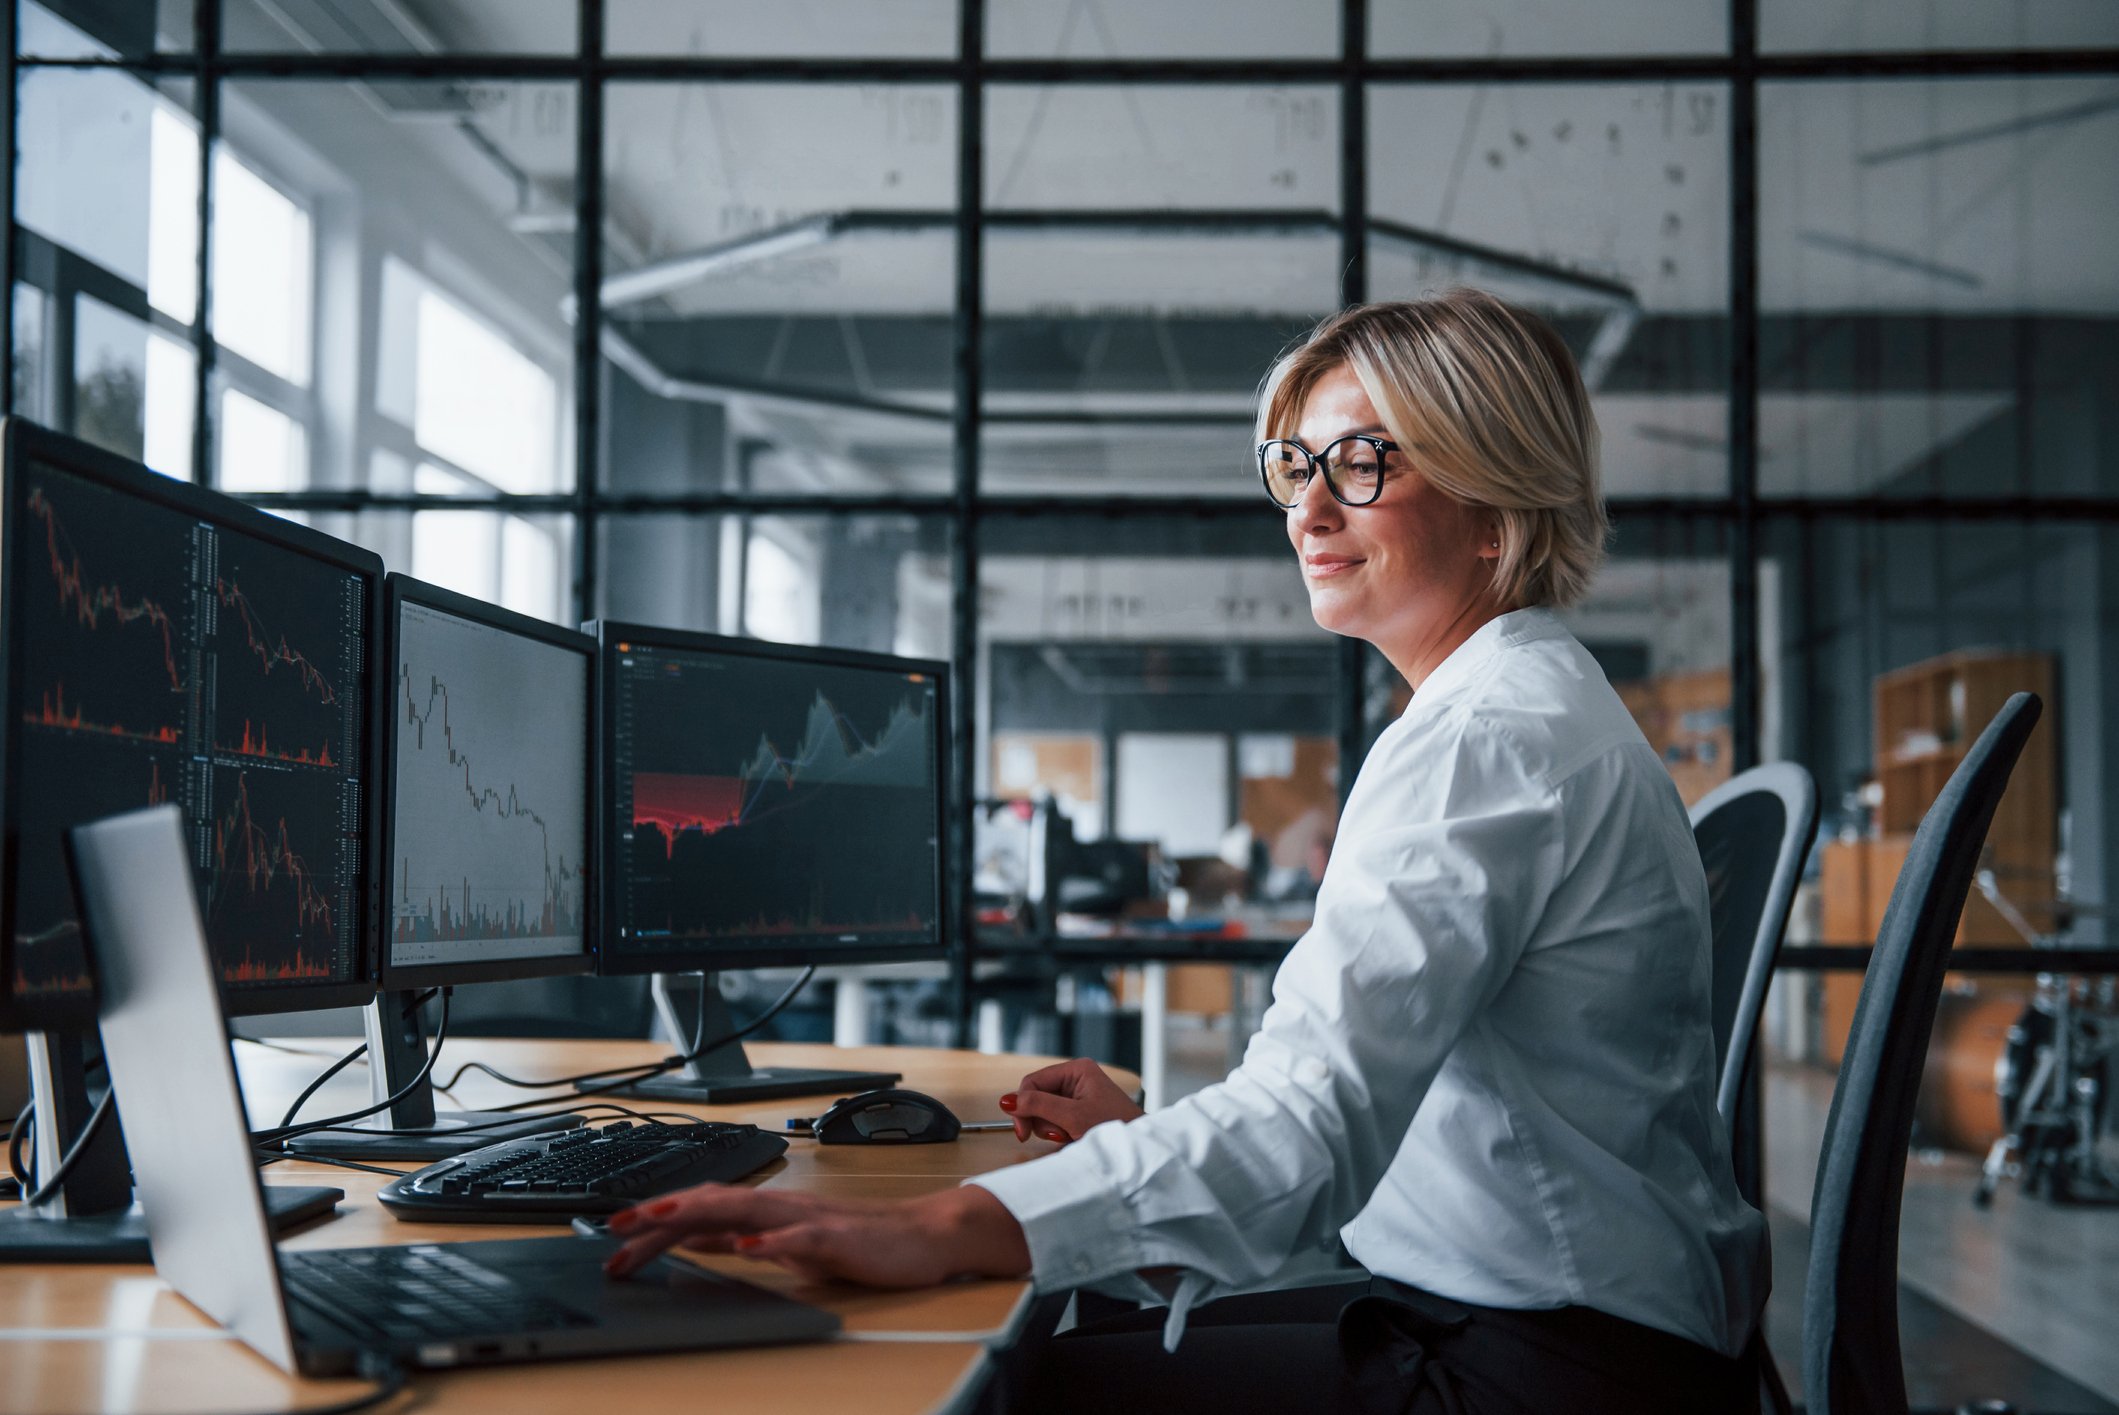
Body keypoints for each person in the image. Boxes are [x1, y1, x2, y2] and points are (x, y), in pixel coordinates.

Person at [602, 290, 1768, 1413]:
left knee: (1011, 1372)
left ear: (1494, 493)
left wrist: (948, 1218)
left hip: (1540, 1361)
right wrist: (1150, 1138)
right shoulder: (1523, 705)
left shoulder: (1486, 736)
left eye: (1365, 463)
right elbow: (1389, 1111)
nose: (1310, 511)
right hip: (1544, 1312)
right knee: (1077, 1312)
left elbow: (1317, 1124)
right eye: (1296, 466)